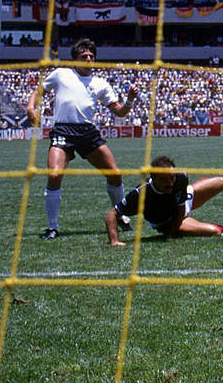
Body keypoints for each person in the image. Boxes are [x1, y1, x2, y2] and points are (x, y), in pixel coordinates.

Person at [26, 37, 139, 240]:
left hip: (87, 132)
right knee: (54, 175)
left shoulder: (100, 84)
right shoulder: (61, 74)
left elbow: (120, 112)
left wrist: (129, 100)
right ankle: (52, 227)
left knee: (115, 174)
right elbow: (38, 91)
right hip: (63, 131)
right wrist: (30, 107)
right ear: (75, 60)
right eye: (83, 56)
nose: (88, 59)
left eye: (91, 56)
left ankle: (120, 216)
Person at [104, 155, 223, 245]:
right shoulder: (141, 193)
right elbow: (112, 214)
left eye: (171, 177)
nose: (169, 183)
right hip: (168, 221)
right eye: (164, 179)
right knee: (215, 231)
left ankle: (193, 190)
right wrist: (114, 241)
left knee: (221, 182)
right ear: (153, 177)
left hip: (182, 205)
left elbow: (180, 206)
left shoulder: (180, 178)